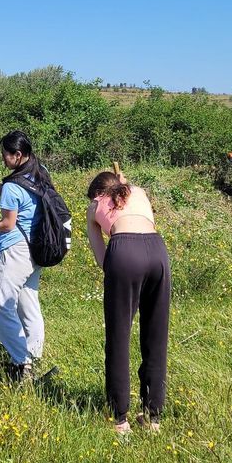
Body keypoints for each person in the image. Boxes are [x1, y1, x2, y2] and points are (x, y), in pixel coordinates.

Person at [86, 170, 170, 434]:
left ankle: (121, 419)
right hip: (157, 250)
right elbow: (124, 186)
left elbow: (103, 260)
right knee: (156, 335)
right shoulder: (139, 192)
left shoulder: (94, 206)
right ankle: (153, 416)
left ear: (97, 193)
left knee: (119, 337)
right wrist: (122, 181)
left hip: (123, 250)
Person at [0, 131, 48, 380]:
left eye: (5, 155)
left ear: (18, 155)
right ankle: (34, 354)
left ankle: (21, 362)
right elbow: (22, 196)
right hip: (37, 248)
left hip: (15, 251)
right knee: (28, 303)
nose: (3, 160)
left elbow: (7, 224)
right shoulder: (39, 171)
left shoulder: (13, 185)